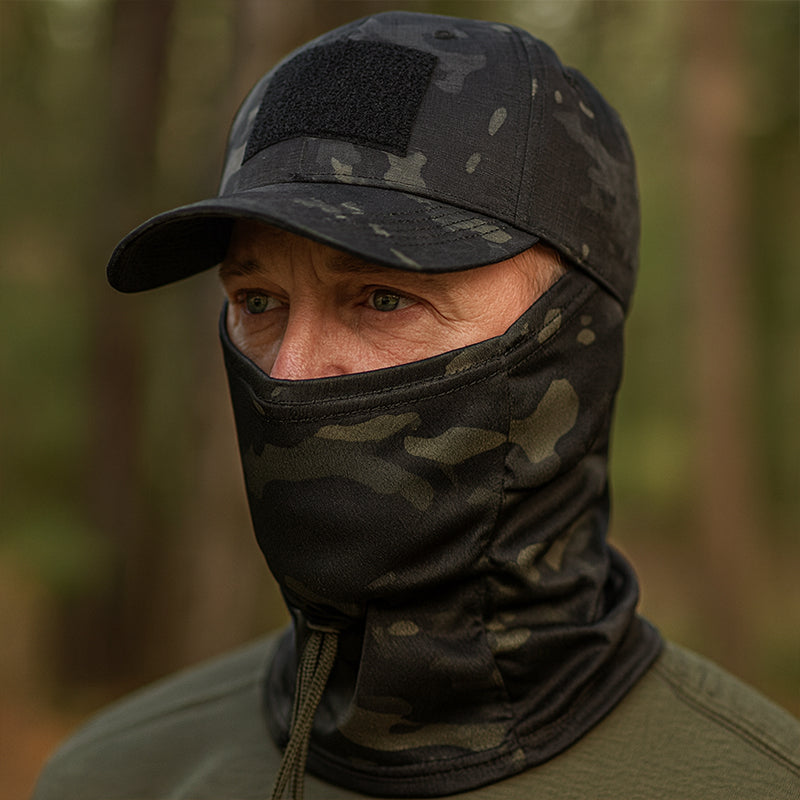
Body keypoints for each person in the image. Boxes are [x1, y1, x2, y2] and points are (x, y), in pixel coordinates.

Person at [33, 10, 799, 800]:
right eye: (258, 301)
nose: (290, 374)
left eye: (384, 298)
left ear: (575, 341)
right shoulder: (114, 778)